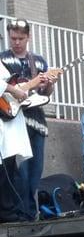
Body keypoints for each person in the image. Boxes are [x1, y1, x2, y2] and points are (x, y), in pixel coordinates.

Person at [1, 18, 57, 220]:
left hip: (37, 119)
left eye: (20, 38)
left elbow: (45, 92)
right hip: (14, 119)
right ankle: (22, 213)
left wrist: (50, 83)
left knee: (35, 170)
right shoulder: (3, 59)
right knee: (20, 172)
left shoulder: (39, 61)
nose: (16, 42)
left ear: (28, 37)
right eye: (13, 38)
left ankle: (30, 212)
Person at [0, 61, 36, 222]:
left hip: (8, 123)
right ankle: (6, 213)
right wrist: (14, 90)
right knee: (4, 170)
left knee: (9, 167)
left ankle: (10, 211)